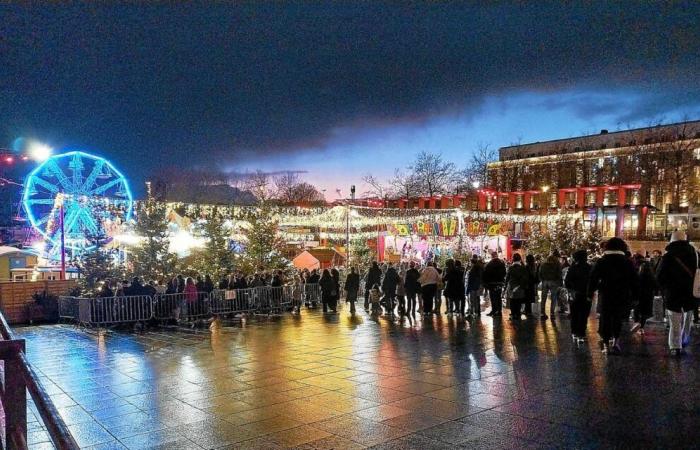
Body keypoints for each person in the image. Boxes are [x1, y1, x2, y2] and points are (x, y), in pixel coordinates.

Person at [587, 238, 639, 354]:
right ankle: (616, 341)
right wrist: (635, 296)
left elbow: (593, 278)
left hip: (606, 294)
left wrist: (589, 293)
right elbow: (634, 280)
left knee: (605, 318)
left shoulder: (602, 261)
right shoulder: (627, 262)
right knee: (617, 318)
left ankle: (605, 343)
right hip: (622, 294)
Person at [656, 231, 699, 356]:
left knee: (674, 319)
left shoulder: (668, 256)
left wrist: (663, 288)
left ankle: (675, 346)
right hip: (691, 291)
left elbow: (660, 276)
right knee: (688, 316)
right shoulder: (695, 254)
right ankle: (684, 338)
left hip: (673, 291)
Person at [565, 250, 592, 342]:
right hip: (586, 294)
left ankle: (575, 332)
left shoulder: (573, 268)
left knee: (575, 314)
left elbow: (567, 281)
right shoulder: (589, 268)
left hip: (575, 294)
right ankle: (581, 333)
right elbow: (593, 282)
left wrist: (572, 290)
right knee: (584, 314)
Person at [631, 254, 657, 335]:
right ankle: (641, 327)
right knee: (645, 311)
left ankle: (636, 322)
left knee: (637, 308)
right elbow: (654, 280)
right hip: (648, 292)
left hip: (638, 291)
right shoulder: (649, 267)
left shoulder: (635, 266)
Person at [539, 250, 563, 320]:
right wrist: (559, 282)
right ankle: (552, 314)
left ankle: (542, 313)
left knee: (543, 298)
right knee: (553, 298)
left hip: (545, 282)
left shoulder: (544, 263)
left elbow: (540, 272)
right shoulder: (557, 263)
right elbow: (559, 273)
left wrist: (542, 279)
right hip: (554, 282)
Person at [504, 253, 528, 321]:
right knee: (519, 301)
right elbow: (525, 279)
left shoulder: (510, 268)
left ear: (513, 259)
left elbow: (507, 278)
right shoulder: (523, 268)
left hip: (512, 287)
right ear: (520, 259)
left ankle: (513, 313)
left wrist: (505, 287)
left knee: (512, 301)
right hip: (520, 287)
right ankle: (518, 314)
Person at [483, 252, 506, 317]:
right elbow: (504, 272)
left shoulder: (489, 264)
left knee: (493, 298)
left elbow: (486, 274)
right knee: (498, 297)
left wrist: (486, 283)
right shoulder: (501, 263)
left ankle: (494, 310)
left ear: (492, 256)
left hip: (492, 283)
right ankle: (499, 311)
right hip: (499, 283)